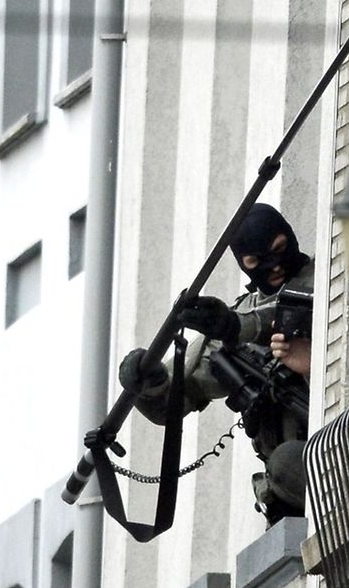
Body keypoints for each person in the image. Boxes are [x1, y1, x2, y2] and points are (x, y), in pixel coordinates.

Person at [118, 203, 313, 524]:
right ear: (243, 264)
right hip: (292, 491)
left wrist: (238, 326)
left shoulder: (328, 279)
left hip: (338, 454)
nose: (274, 265)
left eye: (279, 249)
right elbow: (172, 402)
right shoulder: (232, 328)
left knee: (288, 461)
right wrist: (147, 380)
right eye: (256, 262)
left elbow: (296, 314)